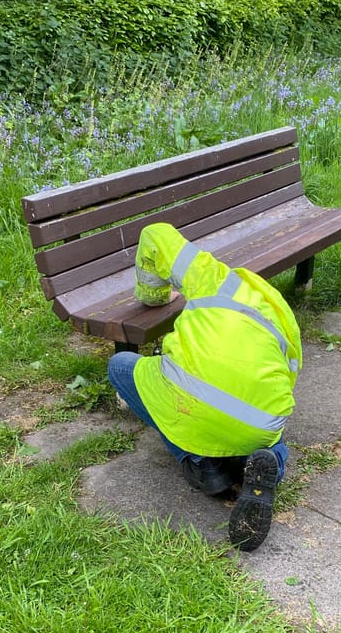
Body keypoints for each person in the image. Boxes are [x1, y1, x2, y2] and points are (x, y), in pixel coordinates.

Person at [107, 221, 302, 552]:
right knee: (270, 439)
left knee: (120, 367)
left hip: (189, 401)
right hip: (258, 420)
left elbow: (155, 233)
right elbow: (289, 375)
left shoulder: (210, 277)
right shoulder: (279, 316)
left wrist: (153, 295)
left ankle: (201, 463)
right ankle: (267, 464)